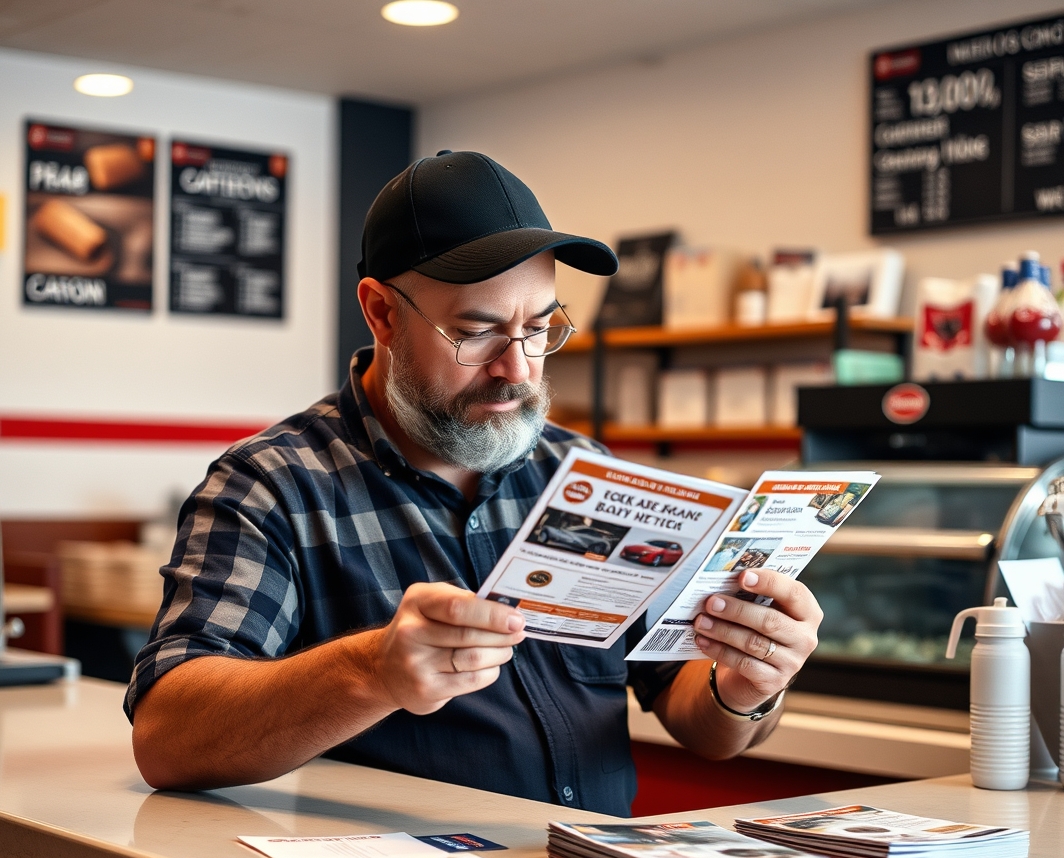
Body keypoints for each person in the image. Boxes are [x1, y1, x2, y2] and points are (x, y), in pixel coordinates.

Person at [127, 151, 822, 816]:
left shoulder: (584, 475)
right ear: (382, 313)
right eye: (477, 332)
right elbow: (167, 739)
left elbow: (697, 718)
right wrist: (373, 671)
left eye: (539, 329)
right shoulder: (275, 487)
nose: (517, 369)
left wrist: (747, 682)